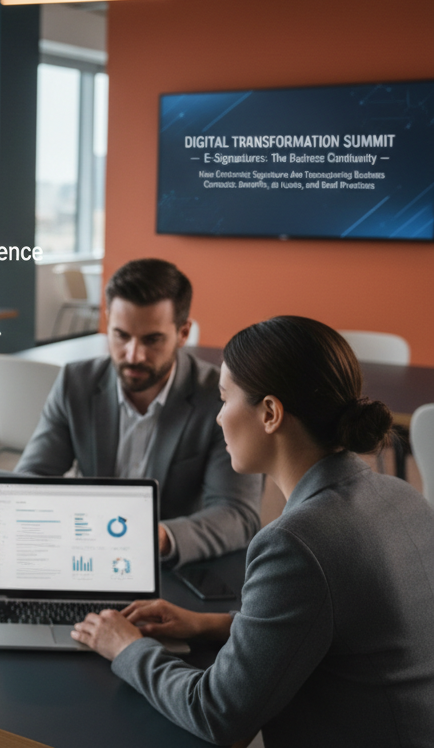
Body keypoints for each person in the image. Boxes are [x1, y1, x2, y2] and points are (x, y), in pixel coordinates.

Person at [71, 316, 434, 746]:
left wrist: (127, 647)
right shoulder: (403, 495)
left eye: (223, 399)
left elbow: (218, 715)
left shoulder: (296, 542)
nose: (218, 417)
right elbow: (337, 623)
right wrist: (211, 625)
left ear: (269, 413)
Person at [16, 258, 260, 566]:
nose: (133, 354)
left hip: (175, 570)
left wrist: (157, 537)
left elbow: (238, 514)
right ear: (108, 322)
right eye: (121, 335)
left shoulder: (217, 399)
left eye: (152, 339)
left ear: (183, 333)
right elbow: (31, 478)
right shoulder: (75, 383)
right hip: (88, 558)